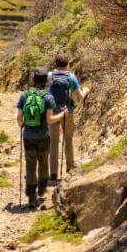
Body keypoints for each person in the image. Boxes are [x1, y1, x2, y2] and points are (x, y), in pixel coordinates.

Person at [17, 68, 66, 208]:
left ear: (33, 80)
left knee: (30, 166)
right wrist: (62, 115)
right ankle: (42, 192)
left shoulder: (24, 96)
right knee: (43, 163)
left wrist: (26, 124)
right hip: (43, 136)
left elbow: (19, 121)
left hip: (28, 137)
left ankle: (31, 197)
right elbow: (50, 120)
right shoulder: (48, 97)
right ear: (46, 82)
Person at [48, 54, 89, 182]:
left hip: (52, 112)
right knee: (68, 139)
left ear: (55, 63)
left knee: (53, 142)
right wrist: (86, 90)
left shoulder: (49, 76)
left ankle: (53, 174)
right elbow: (80, 97)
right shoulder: (71, 77)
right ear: (68, 64)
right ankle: (70, 166)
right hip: (67, 112)